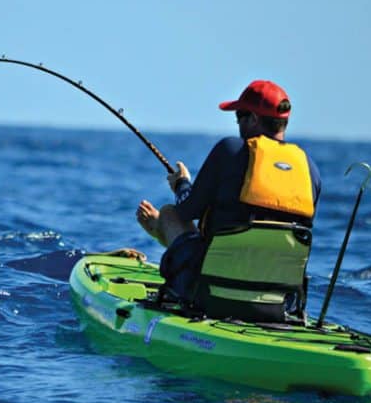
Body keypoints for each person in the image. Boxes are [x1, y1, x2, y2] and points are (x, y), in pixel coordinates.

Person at [135, 80, 321, 315]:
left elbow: (187, 211)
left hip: (211, 293)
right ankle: (168, 238)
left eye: (239, 116)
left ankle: (163, 234)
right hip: (279, 303)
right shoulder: (309, 169)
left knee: (170, 213)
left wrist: (182, 184)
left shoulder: (230, 149)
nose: (237, 124)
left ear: (253, 119)